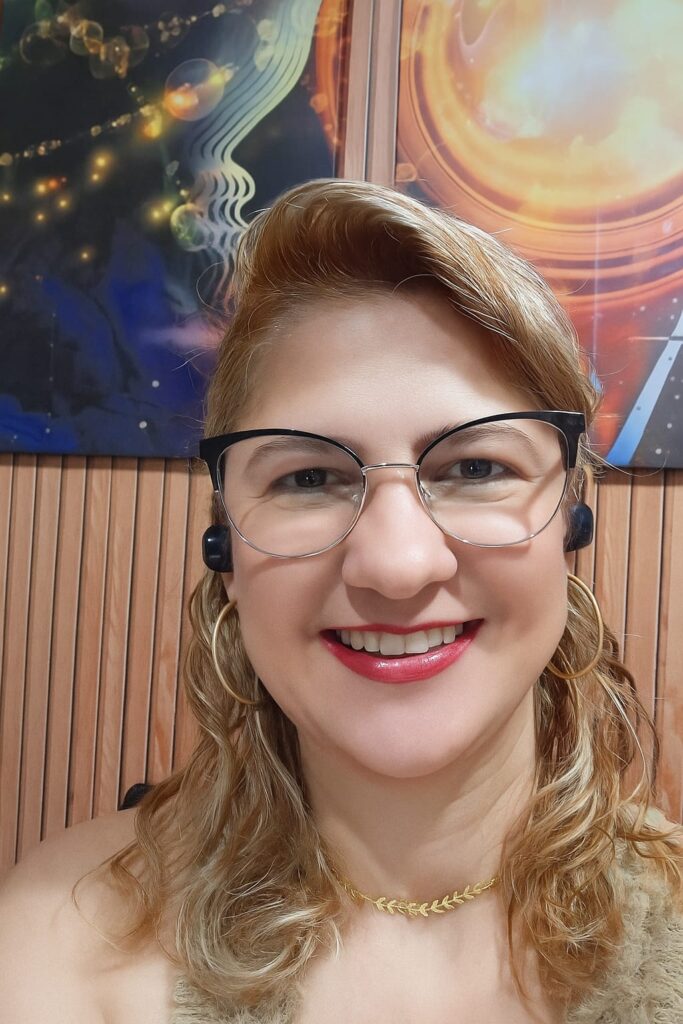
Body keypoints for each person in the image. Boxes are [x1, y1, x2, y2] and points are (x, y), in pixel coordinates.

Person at [1, 179, 681, 1024]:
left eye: (475, 468)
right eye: (309, 478)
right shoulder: (57, 944)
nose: (396, 565)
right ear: (225, 545)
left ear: (568, 520)